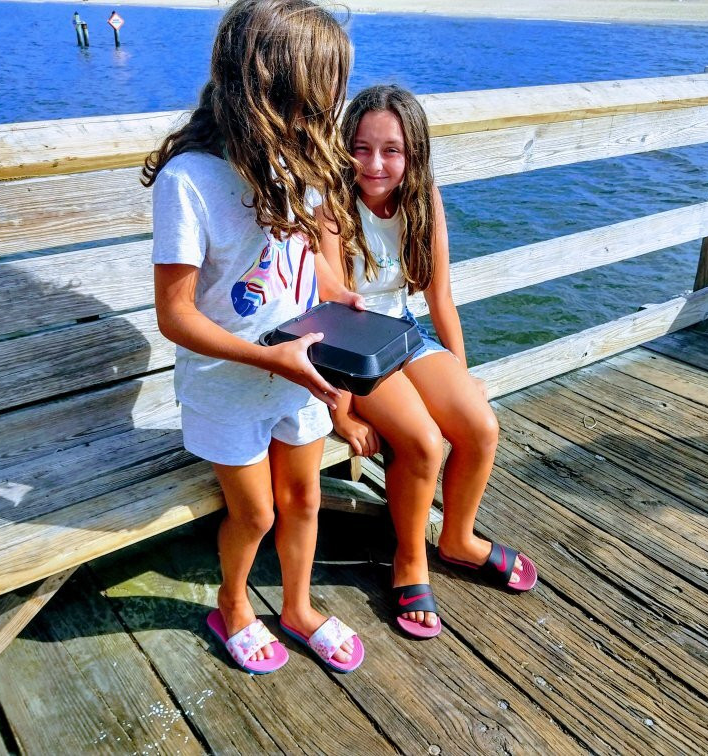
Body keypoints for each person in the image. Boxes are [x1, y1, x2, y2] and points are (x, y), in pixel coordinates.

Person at [143, 0, 365, 674]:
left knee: (305, 498)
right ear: (275, 87)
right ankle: (233, 605)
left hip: (302, 372)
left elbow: (307, 258)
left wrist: (338, 292)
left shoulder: (299, 162)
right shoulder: (190, 180)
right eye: (324, 88)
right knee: (258, 515)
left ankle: (296, 606)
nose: (333, 104)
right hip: (227, 388)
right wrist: (270, 357)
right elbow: (175, 315)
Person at [317, 84, 538, 639]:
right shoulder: (332, 209)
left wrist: (459, 376)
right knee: (421, 441)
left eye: (391, 150)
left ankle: (458, 538)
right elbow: (329, 313)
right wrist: (342, 414)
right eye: (361, 148)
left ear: (413, 153)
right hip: (351, 350)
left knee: (480, 426)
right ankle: (410, 559)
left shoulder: (423, 199)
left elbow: (440, 298)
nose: (374, 163)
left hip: (405, 332)